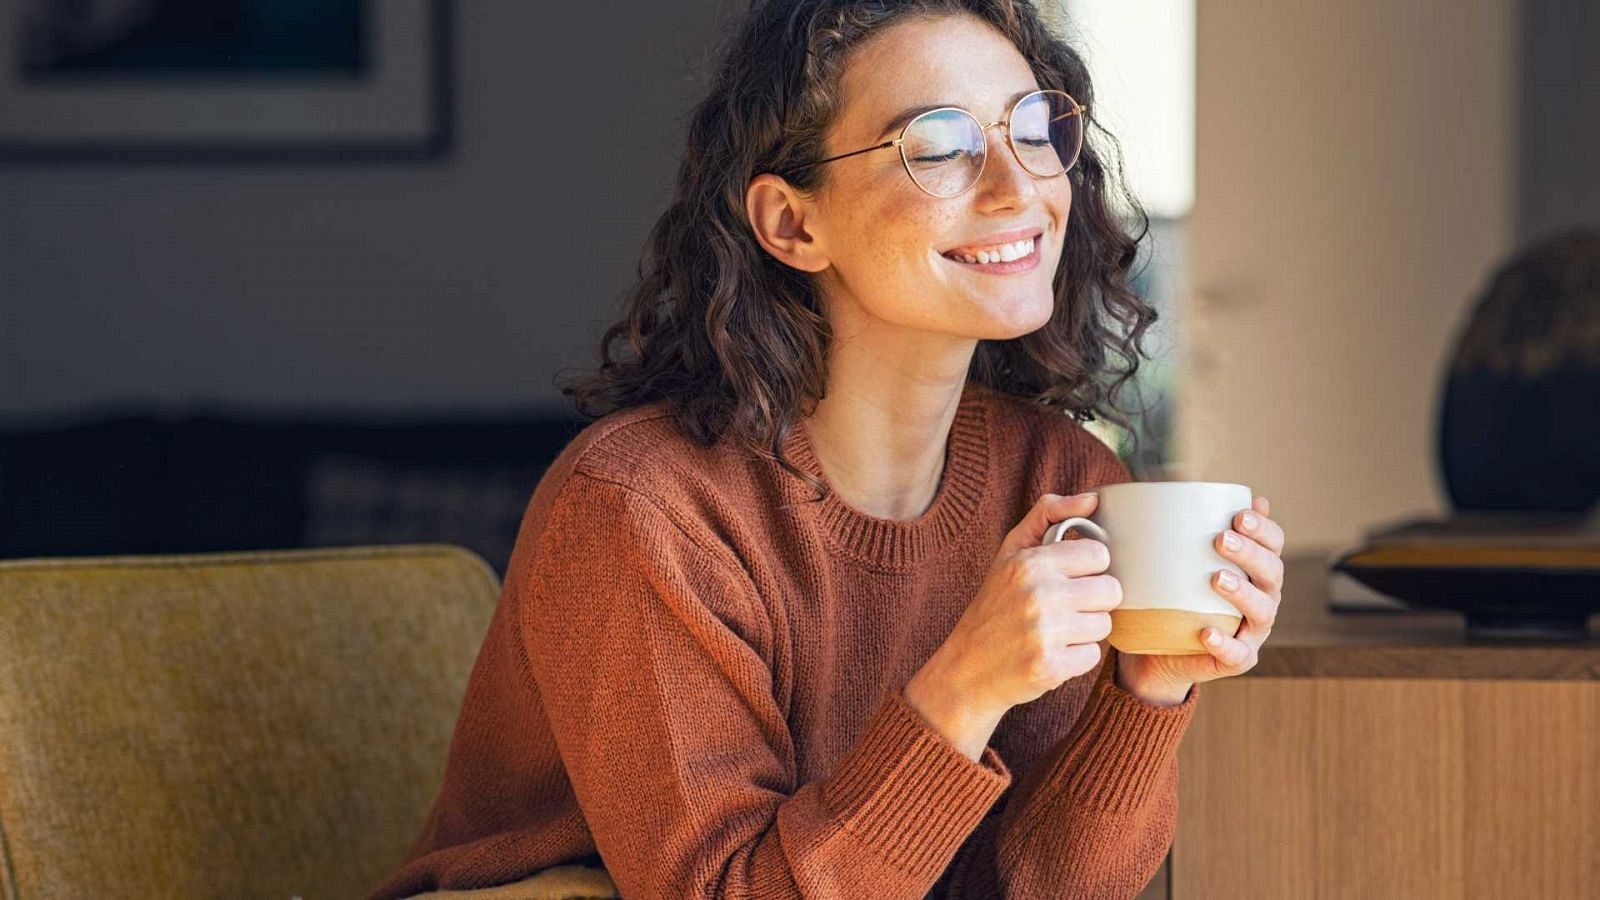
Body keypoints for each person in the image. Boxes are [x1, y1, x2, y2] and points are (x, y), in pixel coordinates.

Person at [370, 1, 1287, 897]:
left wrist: (1148, 694)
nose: (1021, 189)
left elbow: (1038, 885)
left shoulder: (1060, 481)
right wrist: (963, 688)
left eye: (1033, 128)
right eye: (938, 147)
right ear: (791, 225)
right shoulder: (642, 509)